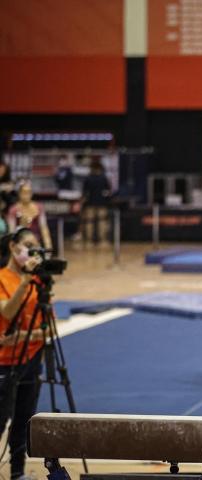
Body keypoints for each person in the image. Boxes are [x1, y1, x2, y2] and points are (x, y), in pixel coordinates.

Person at [0, 227, 48, 480]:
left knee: (23, 421)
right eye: (28, 245)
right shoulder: (1, 278)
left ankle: (17, 472)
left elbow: (47, 329)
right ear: (13, 247)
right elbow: (7, 312)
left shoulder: (39, 281)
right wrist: (25, 282)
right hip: (5, 362)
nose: (32, 252)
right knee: (0, 419)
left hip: (31, 360)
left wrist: (25, 336)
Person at [7, 181, 51, 252]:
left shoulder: (39, 208)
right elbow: (11, 232)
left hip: (36, 244)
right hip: (19, 246)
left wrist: (48, 246)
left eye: (28, 192)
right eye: (24, 192)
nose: (26, 195)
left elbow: (44, 228)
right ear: (19, 193)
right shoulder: (13, 210)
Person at [80, 161, 112, 246]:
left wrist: (83, 202)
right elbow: (108, 192)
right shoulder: (104, 178)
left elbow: (84, 192)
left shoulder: (88, 178)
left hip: (90, 204)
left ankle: (88, 241)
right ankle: (102, 240)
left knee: (89, 222)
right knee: (102, 222)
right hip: (102, 203)